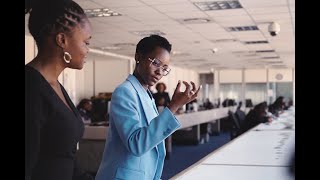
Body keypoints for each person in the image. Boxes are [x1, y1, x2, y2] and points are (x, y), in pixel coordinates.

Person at [95, 35, 201, 180]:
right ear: (138, 57)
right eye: (156, 63)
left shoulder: (147, 94)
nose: (160, 72)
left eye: (164, 68)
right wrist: (173, 106)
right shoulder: (125, 91)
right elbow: (136, 144)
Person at [25, 0, 93, 180]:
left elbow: (64, 156)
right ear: (62, 40)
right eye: (86, 42)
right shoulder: (30, 87)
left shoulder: (54, 85)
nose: (87, 50)